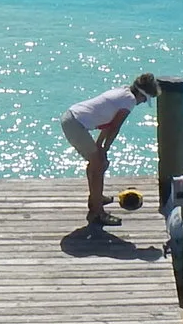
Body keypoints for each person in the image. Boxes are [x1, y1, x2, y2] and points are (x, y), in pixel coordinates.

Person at [60, 73, 157, 224]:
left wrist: (100, 147)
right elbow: (114, 127)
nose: (143, 103)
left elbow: (108, 124)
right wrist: (104, 149)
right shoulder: (130, 100)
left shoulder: (124, 91)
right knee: (98, 165)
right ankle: (97, 213)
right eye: (145, 99)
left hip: (72, 117)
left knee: (99, 163)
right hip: (75, 124)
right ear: (141, 94)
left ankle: (96, 198)